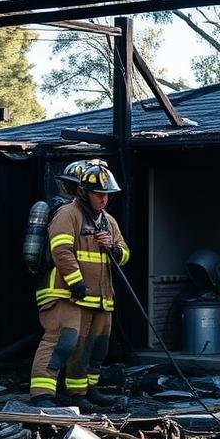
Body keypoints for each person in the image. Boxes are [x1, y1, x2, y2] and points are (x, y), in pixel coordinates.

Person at [29, 162, 130, 410]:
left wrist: (113, 249)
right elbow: (60, 250)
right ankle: (42, 394)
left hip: (101, 297)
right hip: (67, 292)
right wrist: (76, 282)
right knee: (64, 341)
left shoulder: (109, 222)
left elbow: (125, 254)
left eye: (107, 194)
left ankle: (82, 394)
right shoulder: (68, 214)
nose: (104, 199)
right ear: (84, 192)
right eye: (98, 193)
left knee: (96, 348)